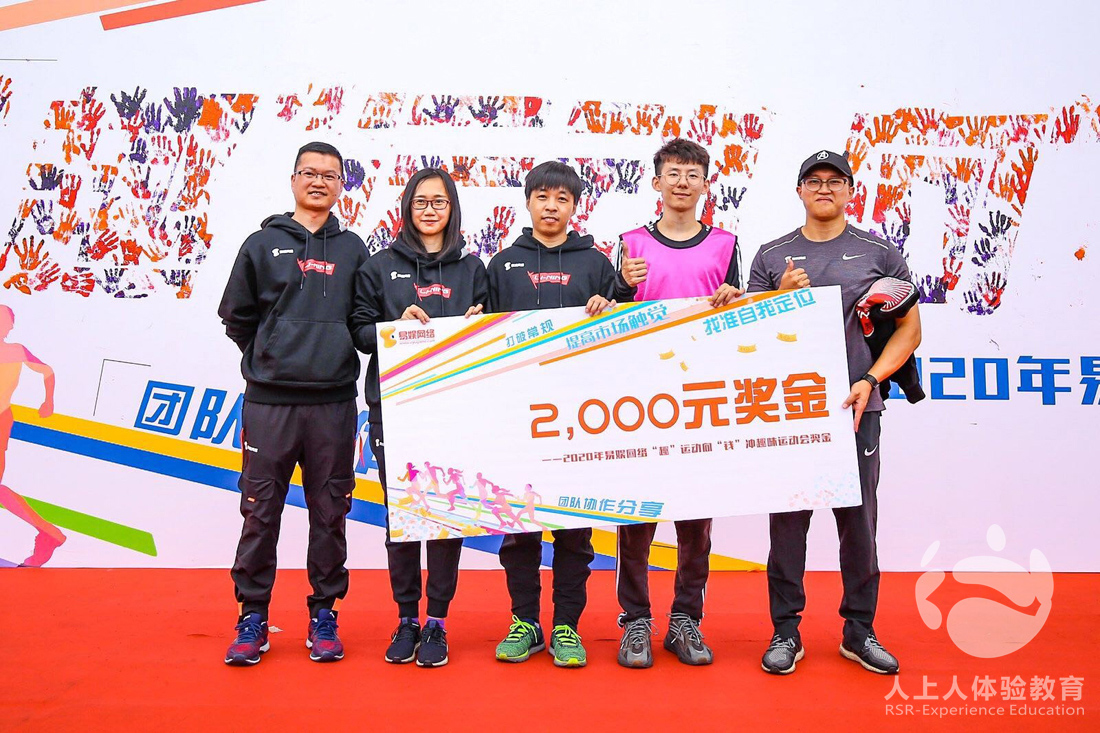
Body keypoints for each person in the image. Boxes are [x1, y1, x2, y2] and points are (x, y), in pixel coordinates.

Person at [747, 149, 921, 676]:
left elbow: (910, 331)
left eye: (835, 180)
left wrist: (870, 380)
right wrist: (777, 297)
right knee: (787, 525)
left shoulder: (879, 252)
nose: (824, 188)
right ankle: (785, 631)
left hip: (856, 406)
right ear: (799, 190)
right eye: (814, 180)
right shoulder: (772, 255)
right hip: (789, 410)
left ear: (850, 190)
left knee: (859, 523)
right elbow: (747, 335)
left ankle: (859, 631)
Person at [218, 141, 367, 666]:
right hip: (270, 404)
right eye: (310, 172)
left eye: (330, 175)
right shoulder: (261, 244)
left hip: (333, 404)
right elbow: (237, 317)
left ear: (342, 185)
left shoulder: (354, 250)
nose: (319, 181)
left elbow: (363, 322)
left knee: (330, 512)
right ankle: (252, 616)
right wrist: (270, 354)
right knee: (260, 512)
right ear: (293, 179)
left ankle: (324, 614)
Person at [613, 138, 743, 668]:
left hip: (700, 401)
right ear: (656, 182)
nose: (682, 182)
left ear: (705, 184)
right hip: (640, 400)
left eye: (692, 174)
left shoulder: (726, 244)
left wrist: (737, 300)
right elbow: (609, 317)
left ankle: (686, 619)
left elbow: (742, 320)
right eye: (673, 173)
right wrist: (619, 288)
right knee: (636, 518)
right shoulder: (629, 244)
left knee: (695, 522)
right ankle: (635, 621)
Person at [351, 167, 488, 668]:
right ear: (408, 207)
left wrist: (481, 326)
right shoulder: (378, 266)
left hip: (455, 412)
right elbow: (359, 331)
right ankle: (407, 617)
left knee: (447, 516)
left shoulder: (473, 269)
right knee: (404, 519)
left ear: (453, 209)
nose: (430, 210)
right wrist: (393, 326)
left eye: (440, 202)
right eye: (421, 201)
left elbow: (497, 333)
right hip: (395, 409)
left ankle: (438, 622)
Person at [486, 160, 616, 668]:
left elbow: (624, 334)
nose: (551, 206)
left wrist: (613, 306)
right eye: (542, 197)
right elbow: (481, 339)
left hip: (578, 421)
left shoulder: (597, 265)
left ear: (575, 207)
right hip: (516, 418)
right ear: (528, 202)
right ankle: (524, 621)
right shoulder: (502, 265)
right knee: (519, 529)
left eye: (562, 199)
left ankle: (566, 626)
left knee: (574, 531)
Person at [0, 305, 63, 567]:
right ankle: (49, 532)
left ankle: (49, 532)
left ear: (10, 326)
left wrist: (49, 401)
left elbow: (47, 371)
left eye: (4, 320)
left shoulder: (16, 351)